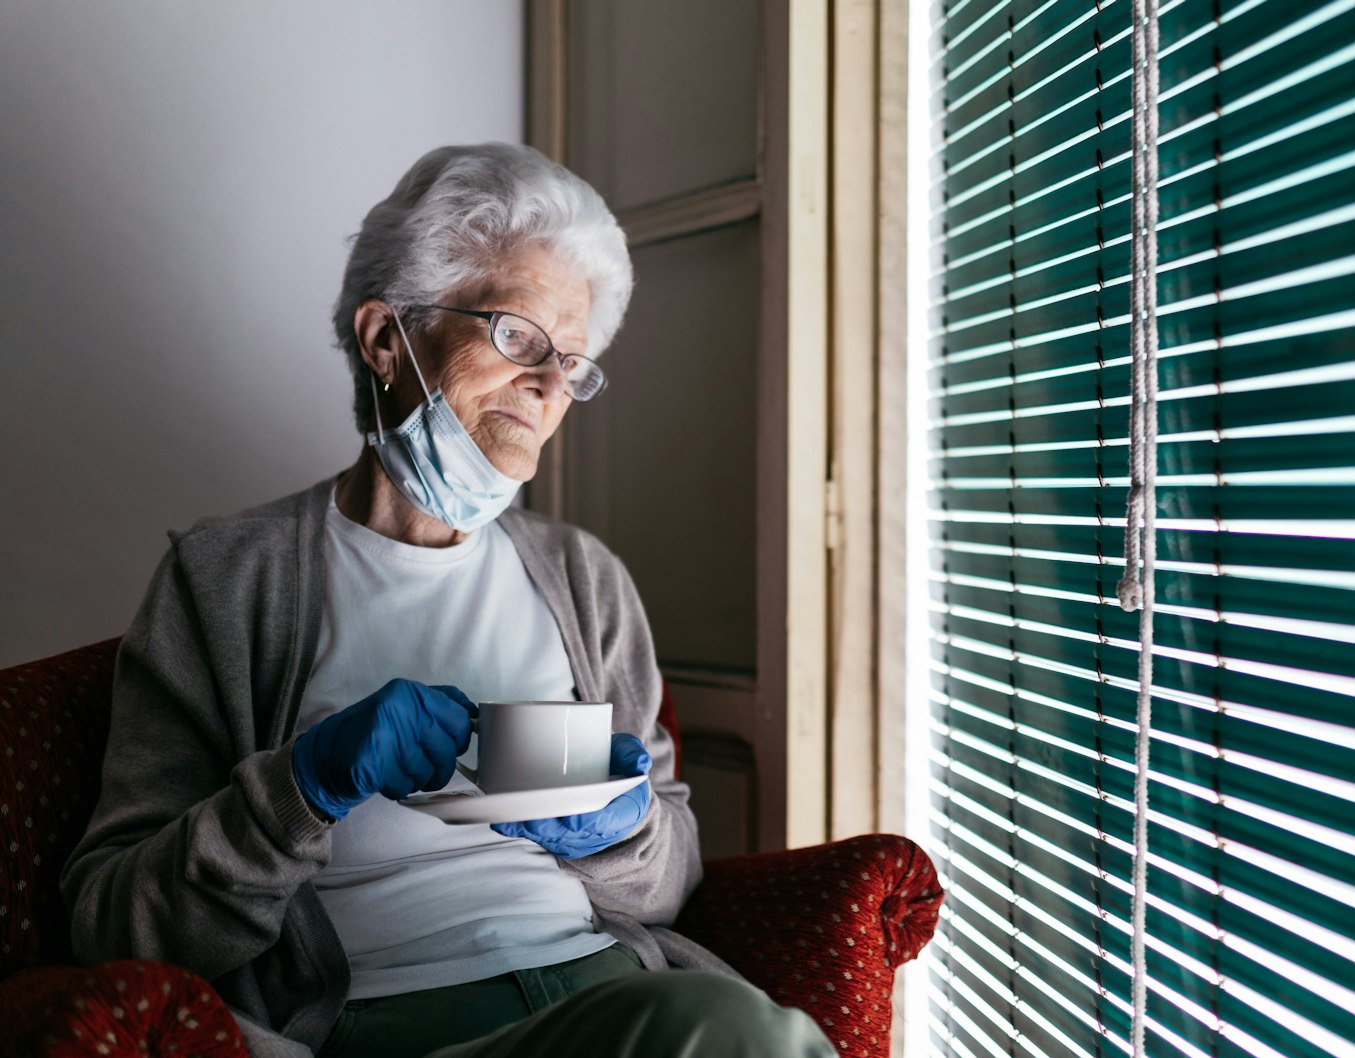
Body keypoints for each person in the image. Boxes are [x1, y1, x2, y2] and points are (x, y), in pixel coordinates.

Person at [59, 143, 836, 1058]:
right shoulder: (224, 579)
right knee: (729, 1032)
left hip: (607, 986)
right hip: (389, 1024)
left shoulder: (585, 578)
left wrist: (622, 828)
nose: (551, 387)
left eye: (573, 360)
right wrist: (303, 786)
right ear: (387, 339)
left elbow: (668, 882)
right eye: (519, 338)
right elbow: (113, 923)